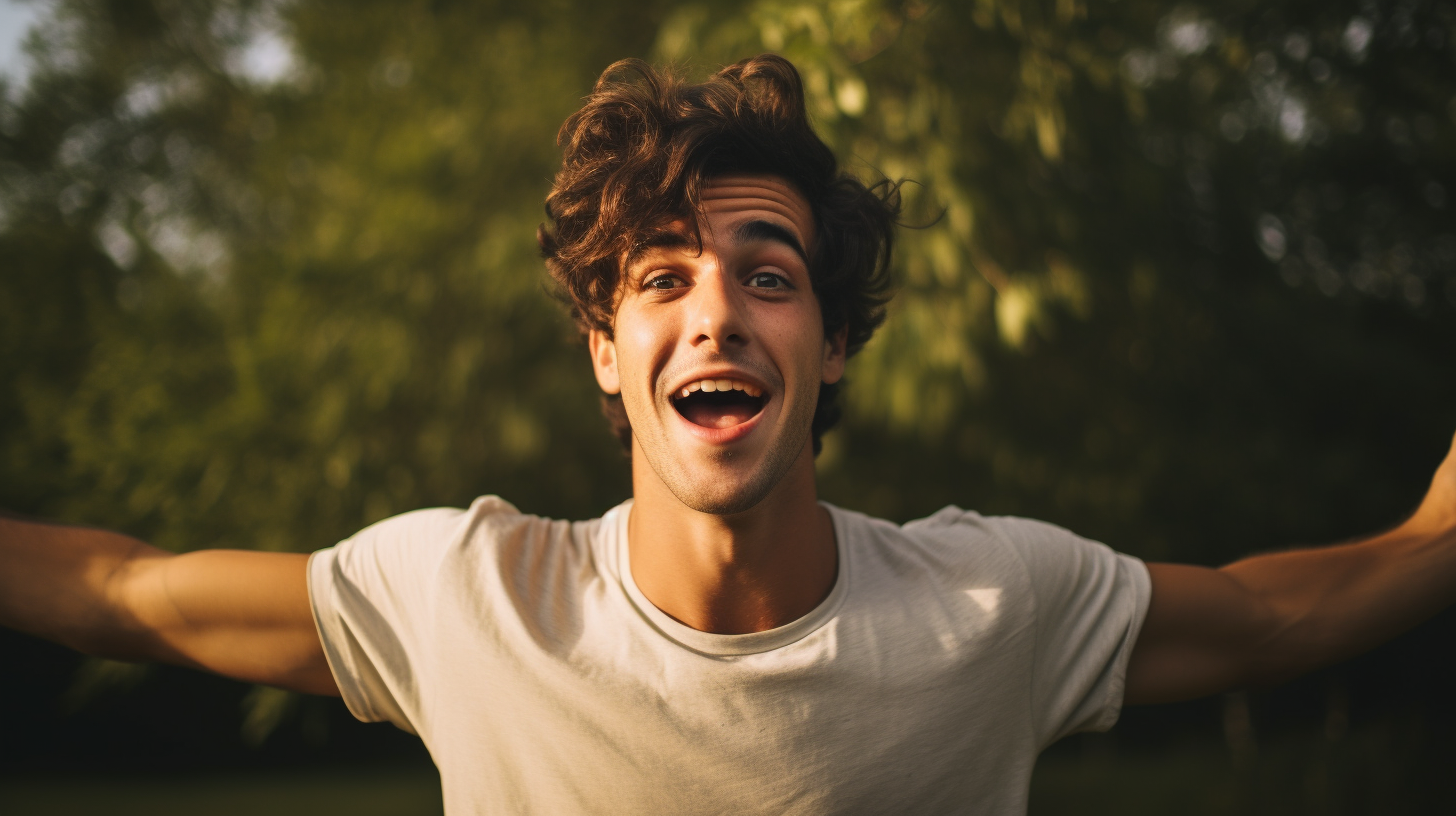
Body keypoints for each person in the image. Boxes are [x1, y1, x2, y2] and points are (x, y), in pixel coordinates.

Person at [2, 54, 1454, 814]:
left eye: (769, 276)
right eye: (659, 281)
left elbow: (1267, 620)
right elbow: (132, 593)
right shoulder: (463, 597)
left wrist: (1441, 531)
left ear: (828, 349)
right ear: (605, 353)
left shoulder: (998, 604)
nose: (715, 316)